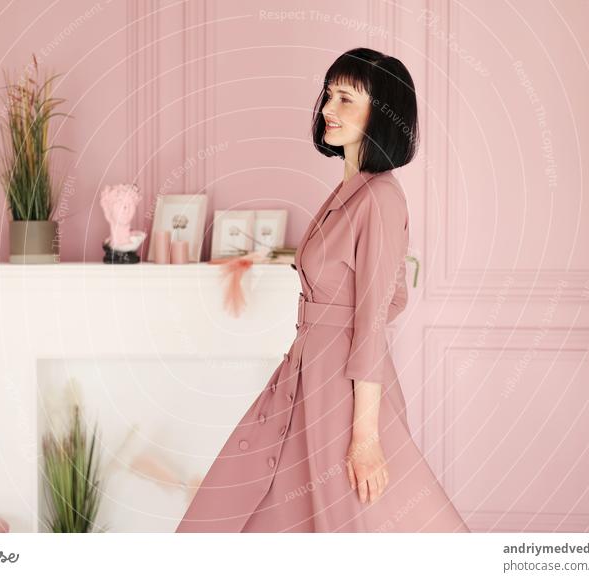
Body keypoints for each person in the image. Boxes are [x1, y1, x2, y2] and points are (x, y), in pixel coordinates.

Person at [176, 47, 470, 533]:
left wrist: (365, 438)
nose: (329, 110)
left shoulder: (380, 198)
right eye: (329, 96)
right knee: (270, 508)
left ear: (382, 114)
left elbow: (373, 319)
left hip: (341, 387)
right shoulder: (349, 190)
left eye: (347, 100)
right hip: (307, 372)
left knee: (344, 519)